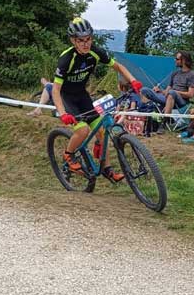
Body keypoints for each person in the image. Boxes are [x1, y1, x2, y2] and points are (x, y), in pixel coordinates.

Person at [51, 17, 143, 184]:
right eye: (81, 41)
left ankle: (107, 169)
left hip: (82, 95)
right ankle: (68, 155)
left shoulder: (95, 52)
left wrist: (133, 80)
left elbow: (118, 67)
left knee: (101, 131)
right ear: (73, 41)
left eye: (88, 39)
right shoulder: (66, 59)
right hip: (66, 98)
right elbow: (55, 89)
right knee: (83, 130)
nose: (85, 44)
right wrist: (63, 113)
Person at [140, 50, 194, 129]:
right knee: (144, 90)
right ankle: (146, 118)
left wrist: (175, 92)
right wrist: (159, 90)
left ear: (184, 60)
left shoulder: (192, 74)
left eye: (177, 59)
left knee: (172, 93)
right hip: (169, 97)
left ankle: (164, 123)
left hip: (181, 101)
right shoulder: (175, 73)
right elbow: (167, 91)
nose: (175, 60)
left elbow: (190, 94)